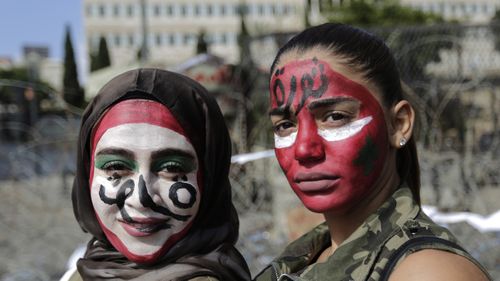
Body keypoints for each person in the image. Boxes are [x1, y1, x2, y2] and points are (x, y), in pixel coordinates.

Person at [254, 23, 491, 281]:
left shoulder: (429, 272)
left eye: (335, 117)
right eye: (285, 125)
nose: (304, 149)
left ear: (399, 124)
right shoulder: (305, 259)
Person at [70, 68, 251, 281]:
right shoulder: (81, 274)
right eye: (115, 167)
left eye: (172, 169)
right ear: (87, 174)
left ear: (210, 180)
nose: (140, 199)